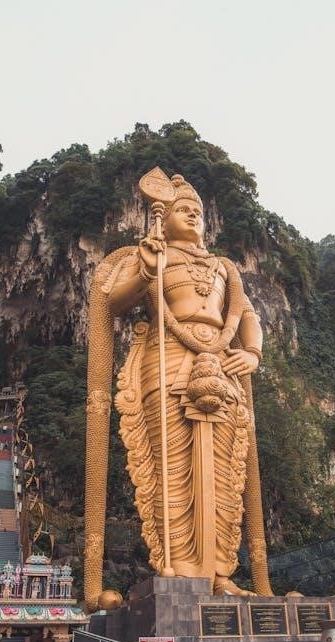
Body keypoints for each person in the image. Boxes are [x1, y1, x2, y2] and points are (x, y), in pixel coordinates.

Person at [83, 168, 272, 609]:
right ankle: (182, 568)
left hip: (221, 365)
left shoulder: (224, 268)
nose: (192, 217)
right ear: (163, 218)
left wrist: (253, 353)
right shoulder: (153, 254)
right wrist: (146, 270)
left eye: (198, 212)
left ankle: (221, 573)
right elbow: (113, 302)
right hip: (166, 360)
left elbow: (248, 316)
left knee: (225, 470)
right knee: (171, 467)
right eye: (183, 210)